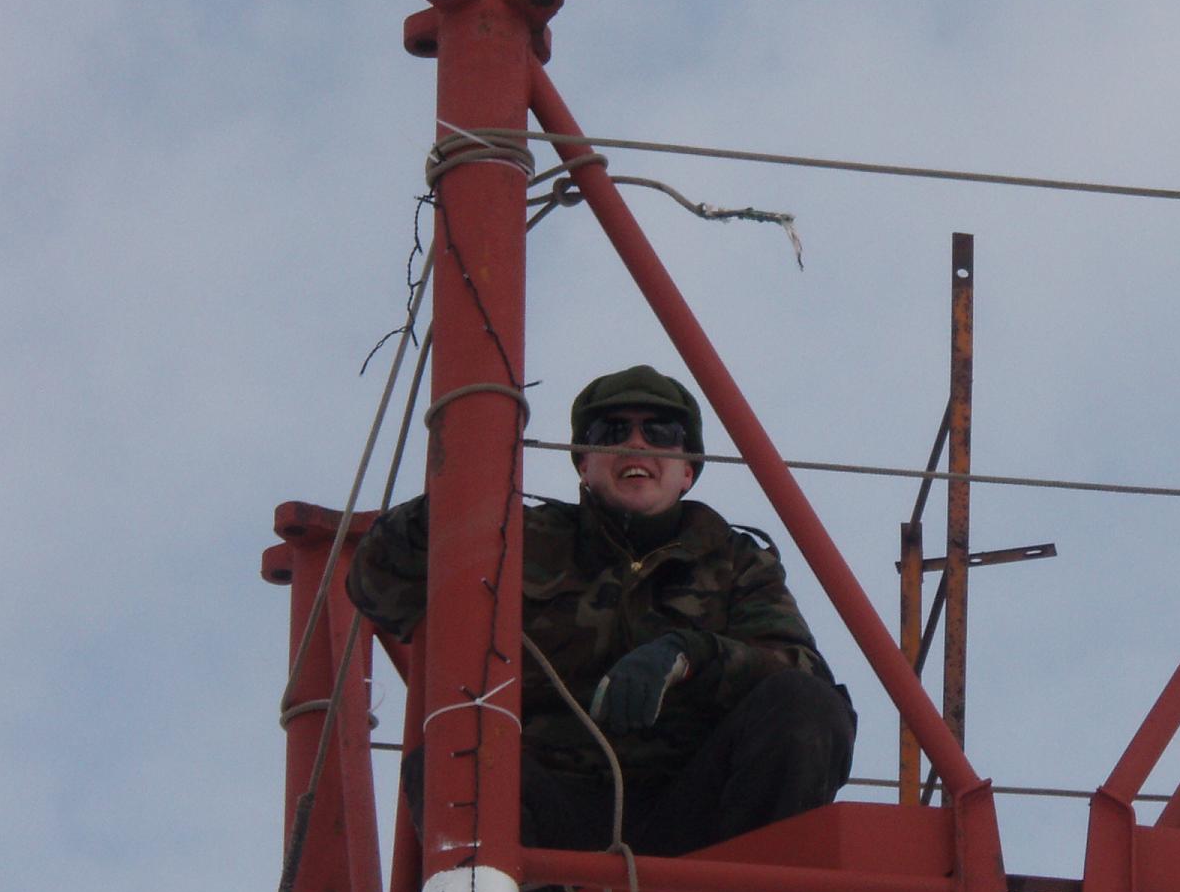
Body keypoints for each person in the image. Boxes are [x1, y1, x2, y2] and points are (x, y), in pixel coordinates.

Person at [347, 364, 856, 858]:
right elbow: (379, 588)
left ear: (688, 471)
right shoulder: (519, 542)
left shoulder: (736, 561)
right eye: (610, 430)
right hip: (555, 811)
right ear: (583, 463)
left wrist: (691, 655)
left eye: (661, 431)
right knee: (454, 758)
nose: (635, 444)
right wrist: (456, 498)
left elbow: (800, 672)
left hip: (701, 811)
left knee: (805, 707)